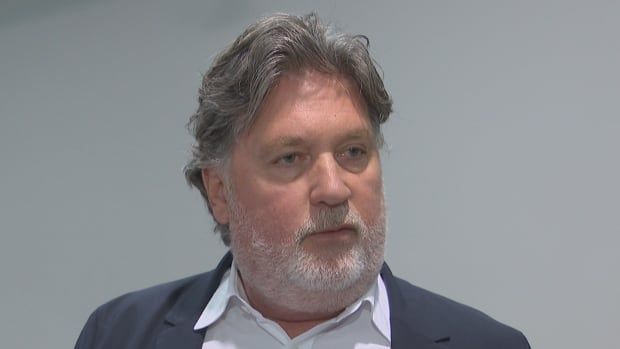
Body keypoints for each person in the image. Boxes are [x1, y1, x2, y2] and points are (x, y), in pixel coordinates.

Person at [75, 12, 530, 349]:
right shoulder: (118, 335)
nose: (334, 189)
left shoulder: (488, 343)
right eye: (290, 158)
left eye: (353, 152)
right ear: (220, 193)